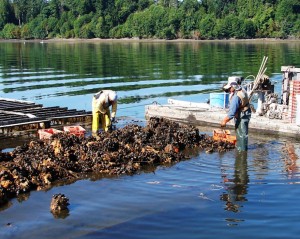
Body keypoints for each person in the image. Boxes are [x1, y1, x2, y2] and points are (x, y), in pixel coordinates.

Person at [220, 78, 251, 151]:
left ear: (233, 87)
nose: (228, 91)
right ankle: (242, 147)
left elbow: (231, 113)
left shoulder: (236, 97)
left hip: (243, 115)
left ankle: (242, 151)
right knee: (243, 132)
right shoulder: (241, 89)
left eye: (229, 89)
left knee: (242, 134)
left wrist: (224, 121)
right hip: (246, 111)